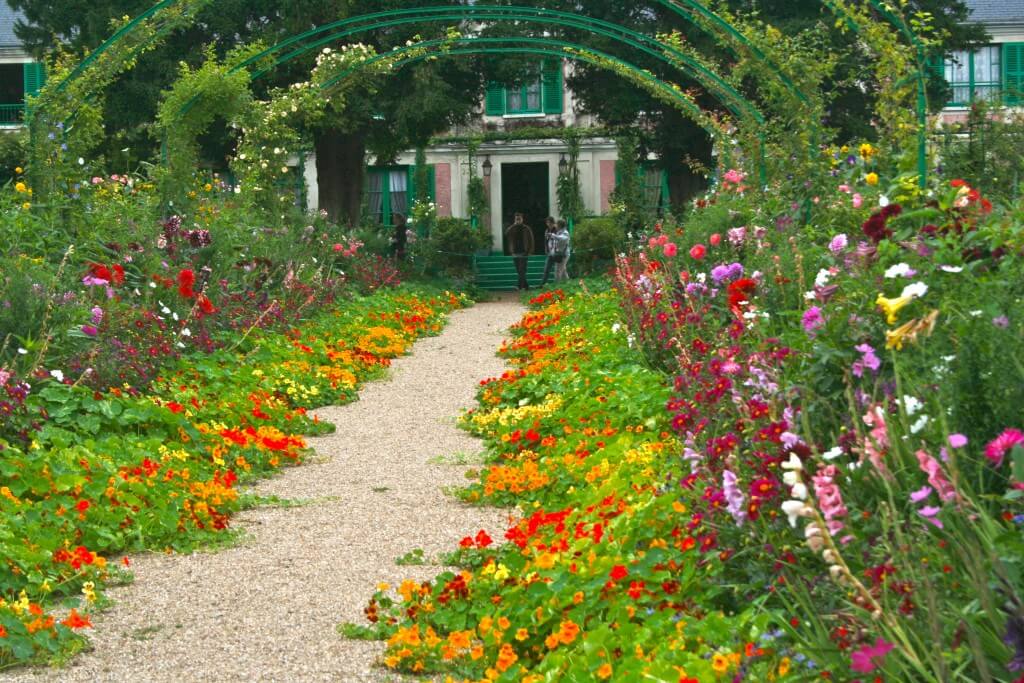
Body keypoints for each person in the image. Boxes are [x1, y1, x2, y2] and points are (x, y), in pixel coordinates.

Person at [504, 212, 535, 290]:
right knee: (519, 270)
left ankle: (519, 286)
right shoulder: (512, 228)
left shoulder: (526, 228)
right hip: (515, 252)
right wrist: (513, 225)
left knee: (522, 269)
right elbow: (506, 233)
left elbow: (531, 240)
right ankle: (526, 286)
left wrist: (530, 251)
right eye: (516, 219)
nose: (518, 220)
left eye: (519, 219)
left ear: (522, 219)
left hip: (524, 252)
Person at [538, 217, 558, 287]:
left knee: (559, 270)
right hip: (550, 252)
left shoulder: (557, 229)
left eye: (549, 222)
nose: (548, 224)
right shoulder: (547, 230)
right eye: (547, 222)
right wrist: (546, 249)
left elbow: (559, 239)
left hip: (556, 252)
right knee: (546, 269)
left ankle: (559, 284)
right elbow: (545, 241)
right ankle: (542, 284)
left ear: (553, 222)